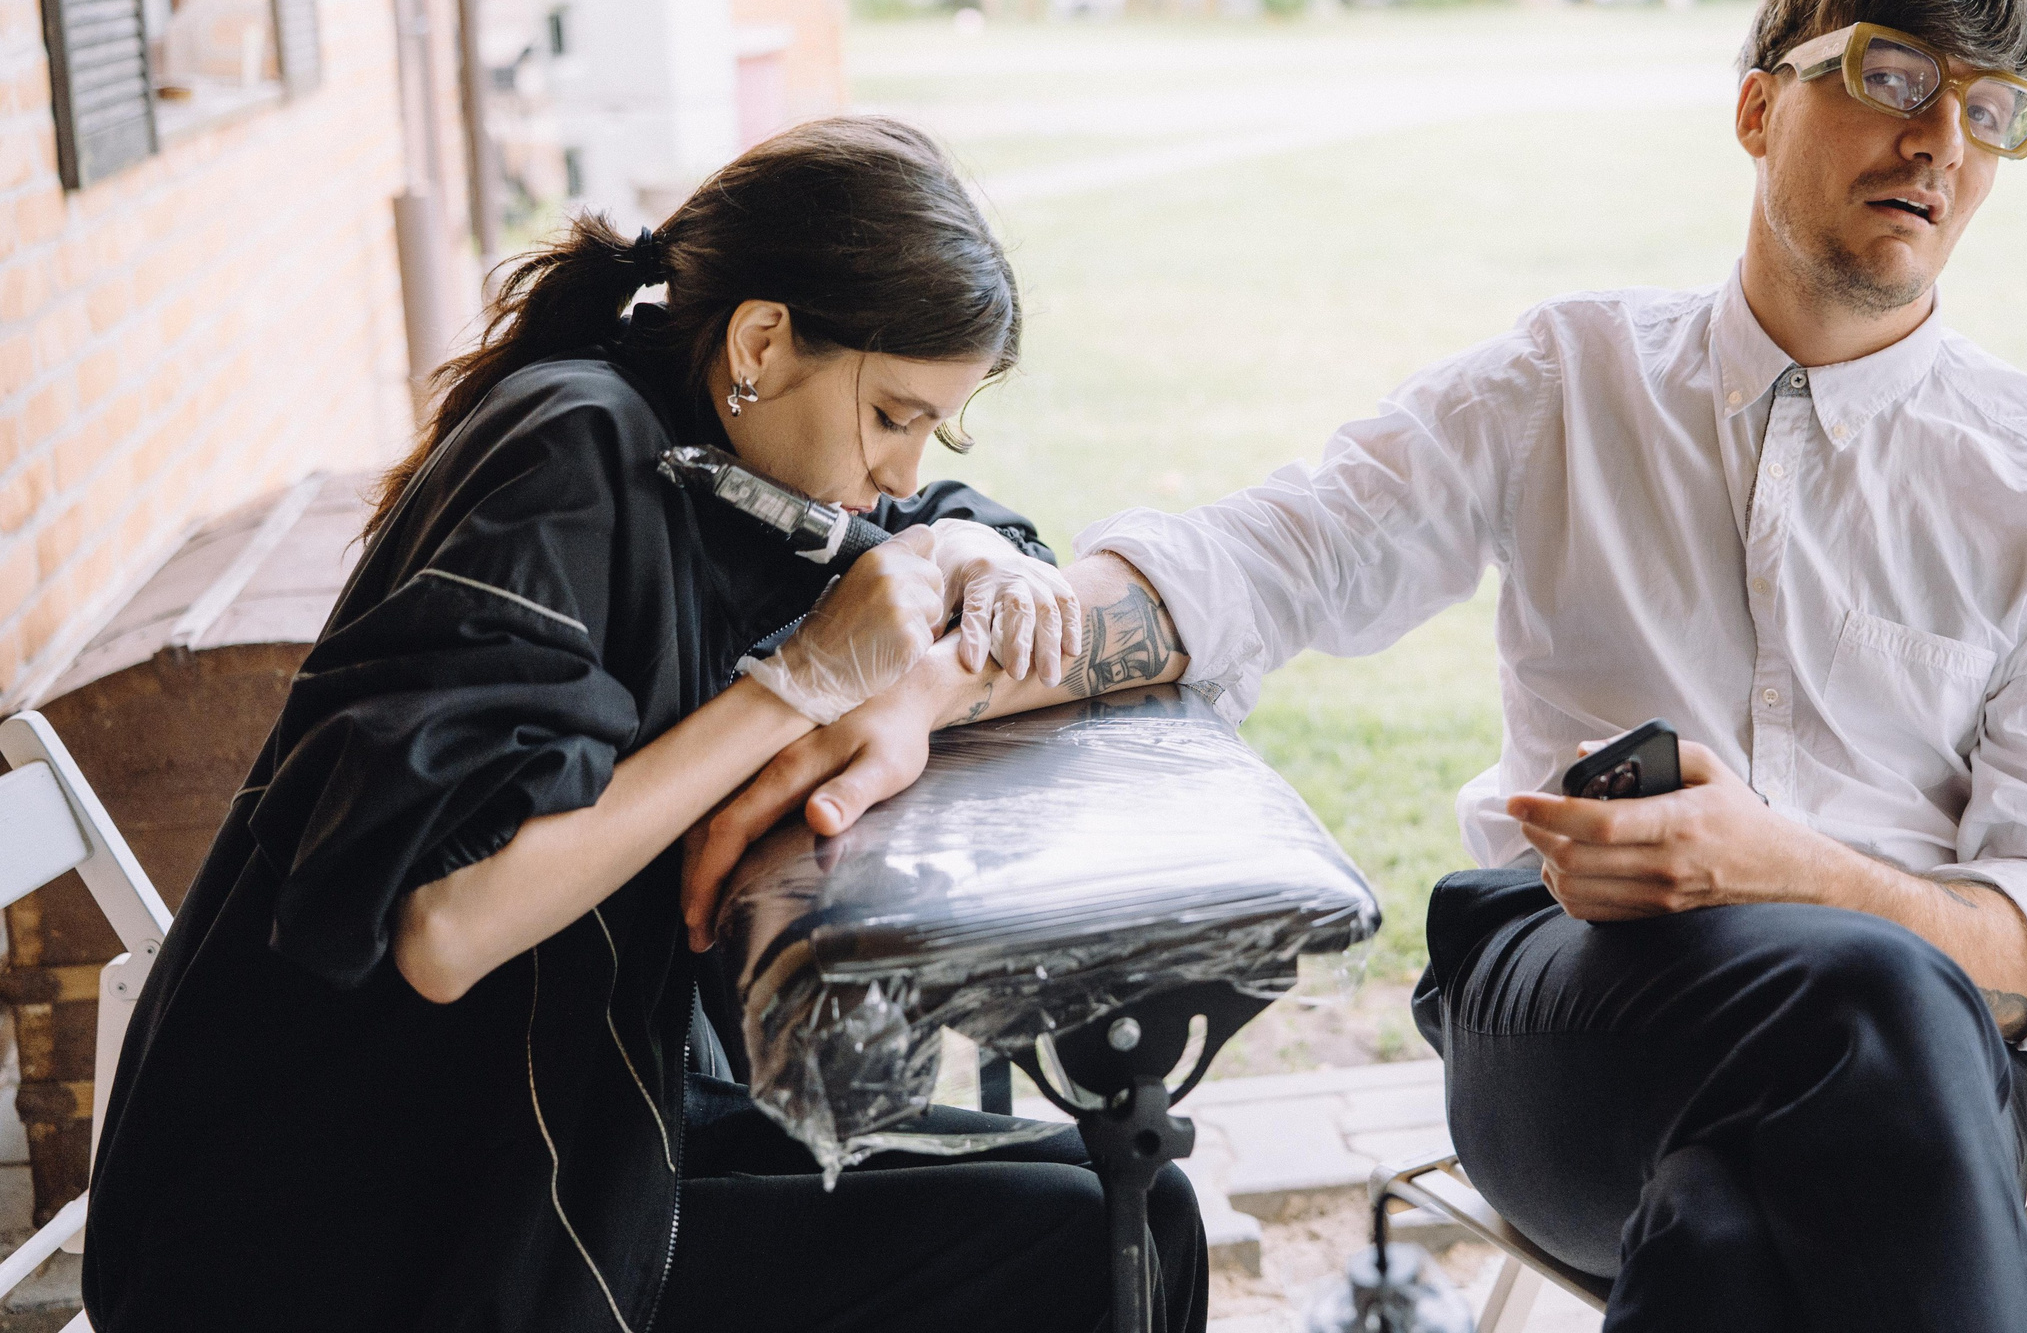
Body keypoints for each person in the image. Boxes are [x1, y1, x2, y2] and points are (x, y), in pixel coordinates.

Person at [694, 0, 2027, 1332]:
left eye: (1994, 111)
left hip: (1925, 1076)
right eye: (1892, 78)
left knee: (1737, 1228)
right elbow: (1268, 558)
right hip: (1579, 1020)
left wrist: (1790, 868)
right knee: (1872, 1002)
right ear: (1757, 109)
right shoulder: (1573, 374)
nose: (1940, 140)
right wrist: (942, 682)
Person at [82, 119, 1210, 1333]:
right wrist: (799, 683)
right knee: (1098, 1239)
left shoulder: (702, 445)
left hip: (569, 1123)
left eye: (939, 424)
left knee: (1139, 1203)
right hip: (367, 1226)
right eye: (892, 412)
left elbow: (921, 519)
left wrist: (977, 548)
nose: (898, 466)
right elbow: (446, 924)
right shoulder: (567, 458)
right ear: (763, 340)